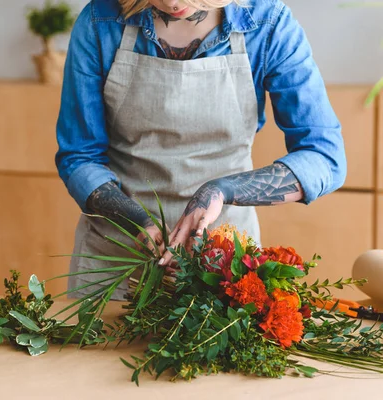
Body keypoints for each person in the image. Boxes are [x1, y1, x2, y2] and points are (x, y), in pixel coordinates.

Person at [55, 0, 346, 300]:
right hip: (115, 264)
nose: (171, 2)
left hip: (224, 270)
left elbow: (324, 156)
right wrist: (137, 222)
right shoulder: (101, 21)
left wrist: (222, 190)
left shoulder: (267, 25)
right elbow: (80, 156)